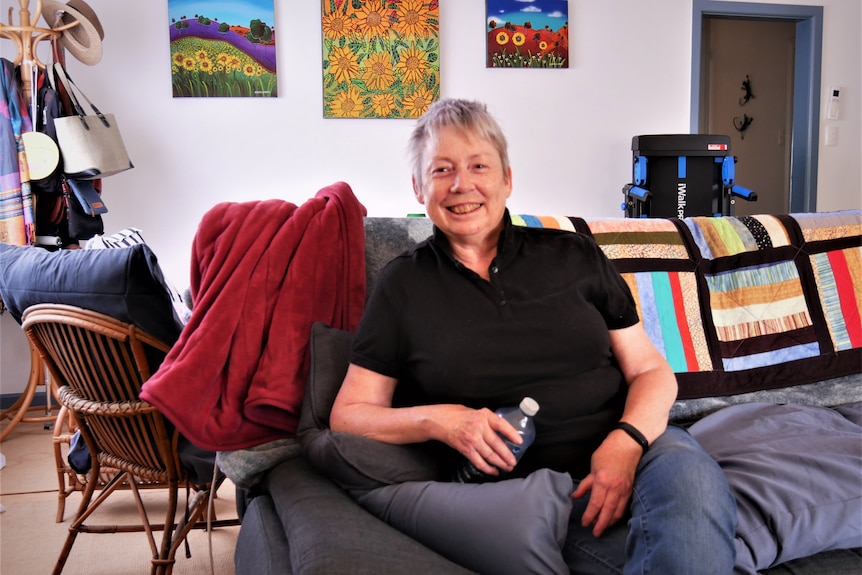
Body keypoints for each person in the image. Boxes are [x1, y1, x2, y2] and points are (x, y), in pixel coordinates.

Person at [330, 98, 737, 574]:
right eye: (442, 170)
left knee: (693, 487)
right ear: (419, 188)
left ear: (506, 178)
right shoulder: (402, 285)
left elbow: (650, 370)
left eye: (479, 165)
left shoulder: (574, 255)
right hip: (522, 494)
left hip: (637, 447)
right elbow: (350, 415)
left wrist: (625, 442)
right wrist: (441, 421)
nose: (463, 185)